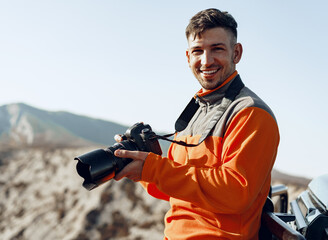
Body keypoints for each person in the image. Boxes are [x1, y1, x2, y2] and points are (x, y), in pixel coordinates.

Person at [114, 8, 280, 240]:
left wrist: (155, 168)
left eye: (217, 49)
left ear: (237, 52)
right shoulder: (196, 111)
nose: (206, 60)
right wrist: (141, 166)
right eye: (197, 51)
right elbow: (179, 190)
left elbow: (235, 193)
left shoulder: (250, 113)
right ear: (188, 57)